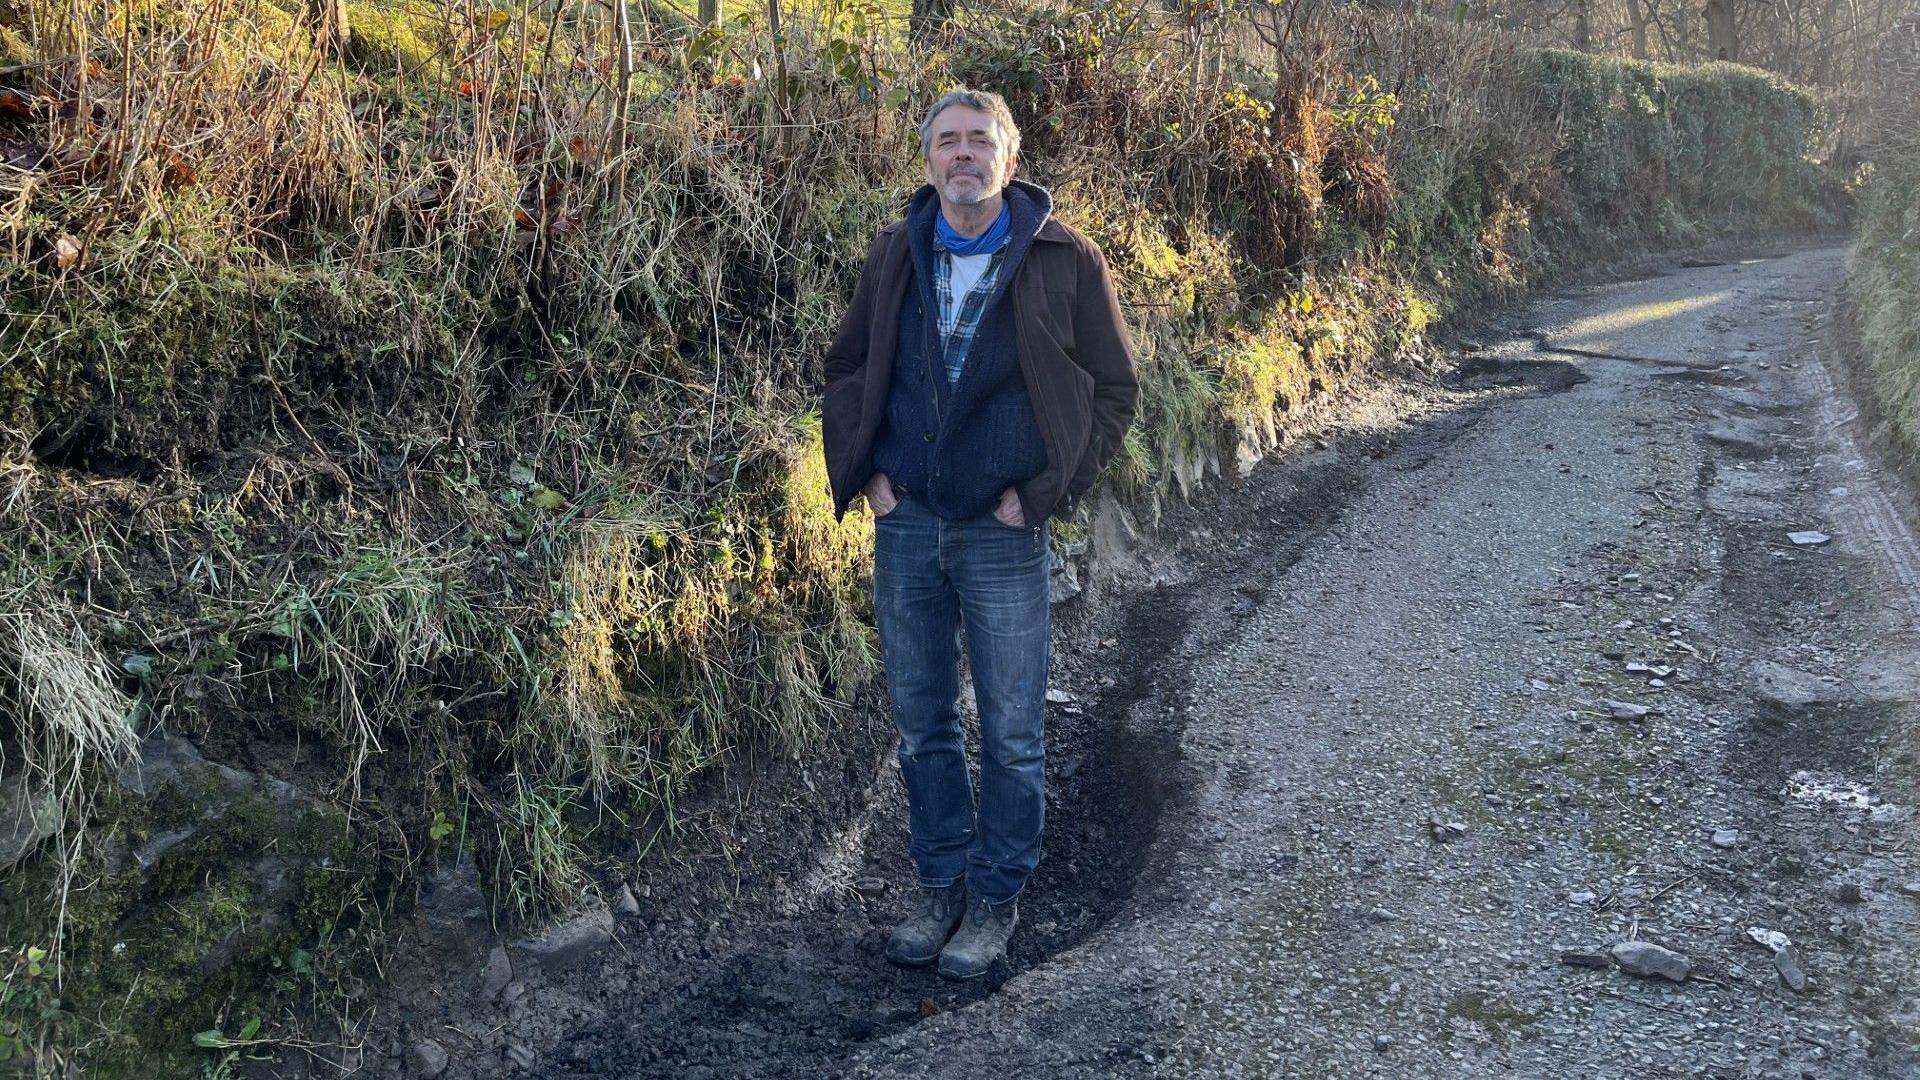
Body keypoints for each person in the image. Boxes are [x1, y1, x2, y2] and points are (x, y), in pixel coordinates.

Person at [820, 88, 1139, 980]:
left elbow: (1114, 392)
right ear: (928, 161)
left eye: (979, 141)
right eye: (947, 143)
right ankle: (942, 888)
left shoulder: (1066, 260)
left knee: (1011, 730)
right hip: (908, 526)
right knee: (923, 726)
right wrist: (867, 478)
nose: (963, 156)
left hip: (1003, 534)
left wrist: (1044, 493)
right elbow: (845, 369)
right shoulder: (895, 254)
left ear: (1009, 154)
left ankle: (995, 901)